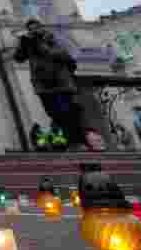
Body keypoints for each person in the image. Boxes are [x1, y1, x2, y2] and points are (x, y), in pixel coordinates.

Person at [13, 19, 86, 151]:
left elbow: (65, 55)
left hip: (61, 83)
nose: (33, 31)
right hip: (43, 85)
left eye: (36, 28)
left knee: (68, 113)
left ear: (41, 28)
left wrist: (43, 47)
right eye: (30, 29)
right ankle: (65, 143)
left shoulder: (52, 40)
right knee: (53, 113)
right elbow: (18, 58)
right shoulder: (29, 43)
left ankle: (77, 142)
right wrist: (22, 44)